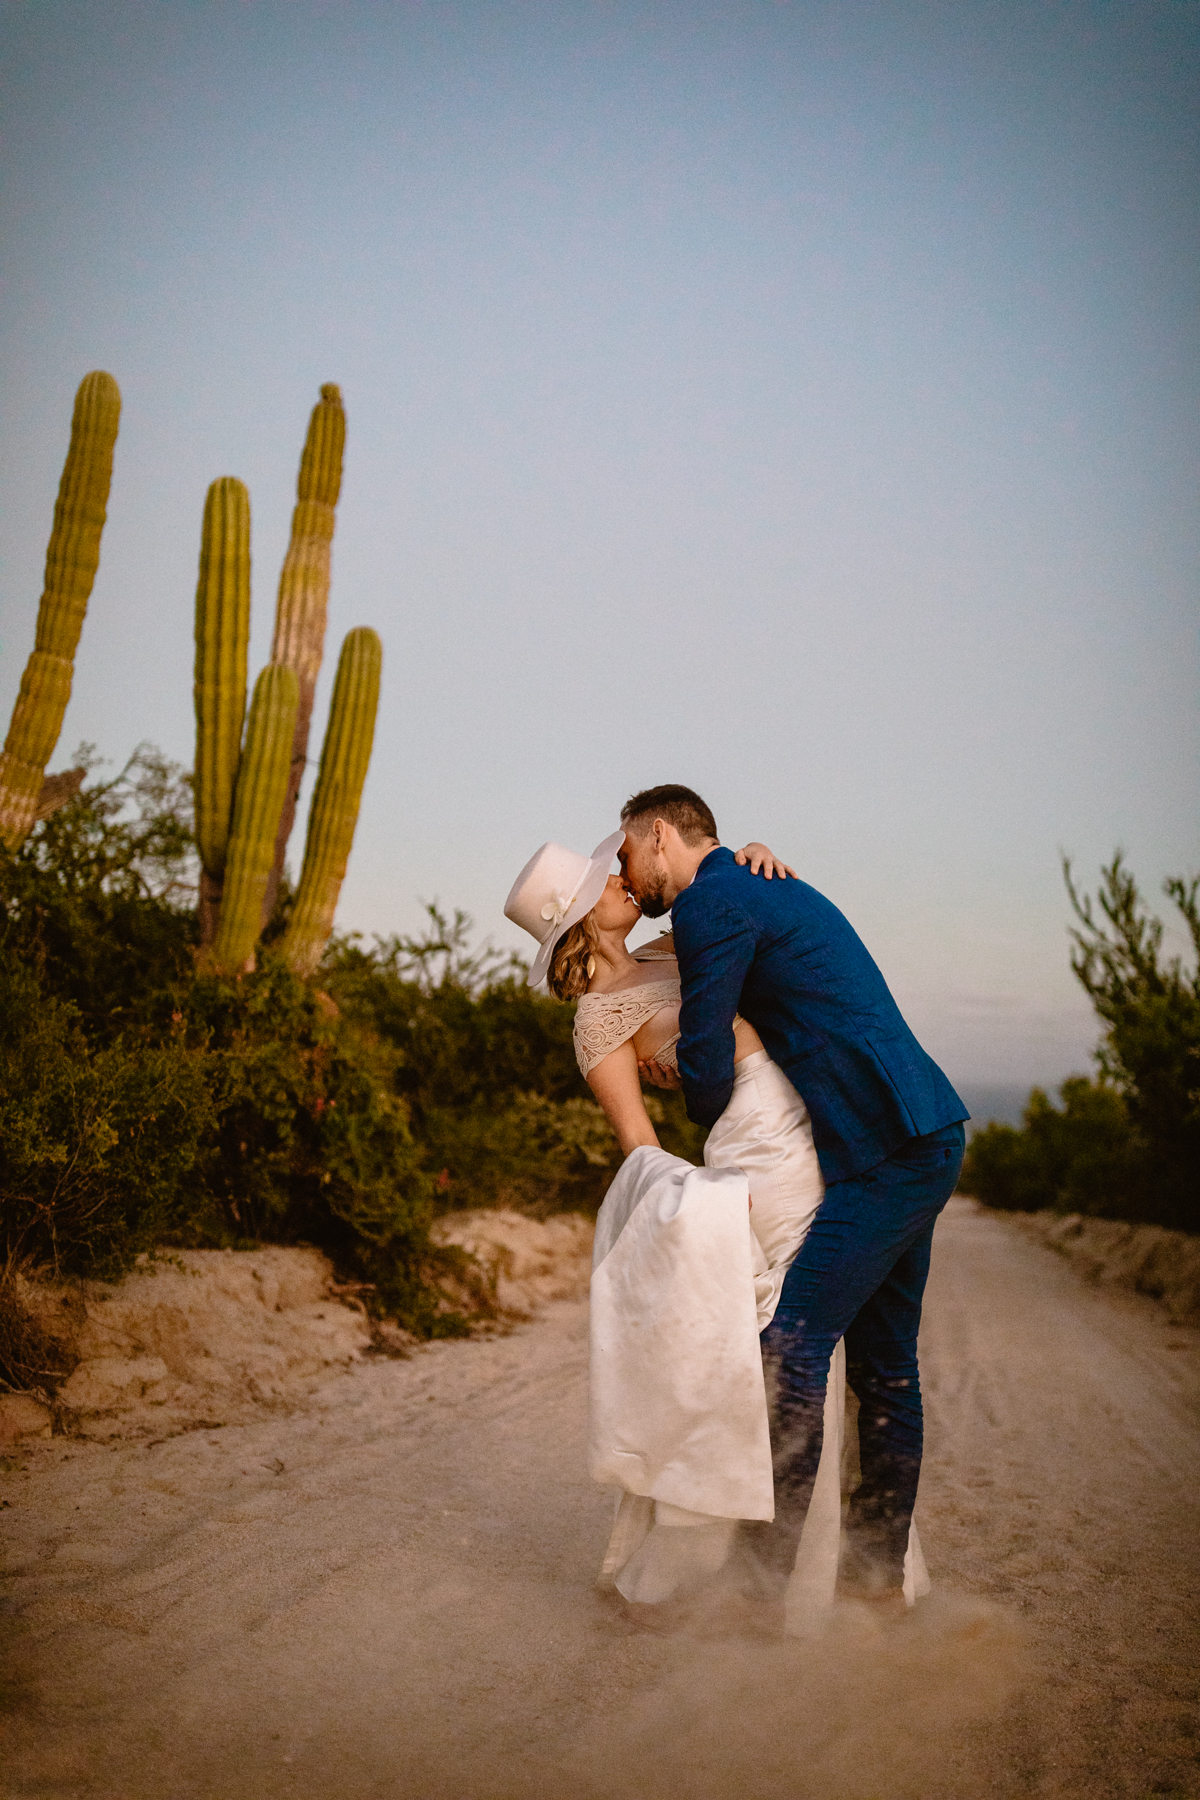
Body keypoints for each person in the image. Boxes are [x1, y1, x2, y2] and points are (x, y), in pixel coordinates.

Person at [503, 829, 928, 1631]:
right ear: (576, 918)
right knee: (778, 1358)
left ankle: (845, 1574)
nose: (623, 876)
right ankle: (758, 1586)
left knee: (827, 1354)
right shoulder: (599, 1024)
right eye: (607, 877)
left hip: (817, 1134)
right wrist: (706, 1205)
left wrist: (756, 853)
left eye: (619, 862)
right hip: (754, 1166)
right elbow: (640, 1152)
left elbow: (733, 908)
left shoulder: (676, 946)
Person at [617, 784, 967, 1612]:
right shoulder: (747, 882)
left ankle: (758, 1593)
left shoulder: (715, 900)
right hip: (917, 1130)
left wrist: (679, 1067)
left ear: (661, 836)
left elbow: (705, 1079)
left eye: (629, 854)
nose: (629, 878)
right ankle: (874, 1589)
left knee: (792, 1350)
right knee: (883, 1371)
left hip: (887, 1147)